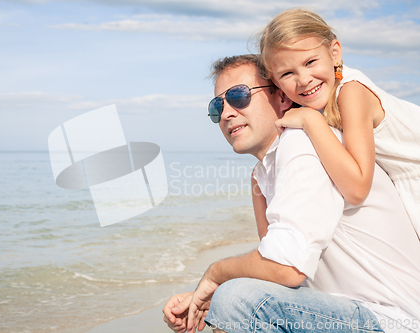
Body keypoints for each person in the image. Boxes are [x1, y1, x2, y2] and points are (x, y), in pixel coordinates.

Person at [162, 54, 420, 333]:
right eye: (217, 106)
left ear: (283, 99)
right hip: (345, 312)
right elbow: (273, 274)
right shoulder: (261, 175)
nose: (226, 114)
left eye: (238, 96)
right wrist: (206, 299)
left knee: (237, 299)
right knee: (230, 302)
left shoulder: (303, 143)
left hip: (391, 319)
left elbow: (286, 268)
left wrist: (215, 275)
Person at [257, 8, 420, 237]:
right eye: (287, 74)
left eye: (311, 62)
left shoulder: (351, 92)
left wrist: (310, 120)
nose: (303, 80)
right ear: (275, 81)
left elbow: (357, 189)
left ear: (335, 53)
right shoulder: (324, 98)